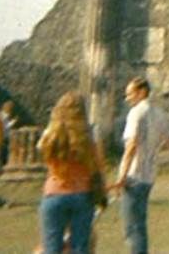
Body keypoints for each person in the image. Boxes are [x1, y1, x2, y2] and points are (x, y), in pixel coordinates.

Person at [110, 77, 169, 254]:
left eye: (130, 94)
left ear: (142, 92)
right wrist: (154, 149)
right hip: (149, 174)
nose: (127, 99)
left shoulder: (135, 113)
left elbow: (131, 146)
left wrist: (122, 176)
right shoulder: (159, 113)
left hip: (134, 175)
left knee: (132, 228)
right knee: (139, 224)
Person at [37, 92, 106, 254]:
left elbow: (42, 152)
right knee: (80, 247)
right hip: (82, 193)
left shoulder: (51, 133)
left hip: (54, 192)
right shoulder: (90, 134)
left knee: (51, 248)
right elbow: (99, 164)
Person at [0, 99, 18, 169]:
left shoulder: (3, 115)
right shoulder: (4, 116)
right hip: (4, 136)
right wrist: (13, 122)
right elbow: (5, 127)